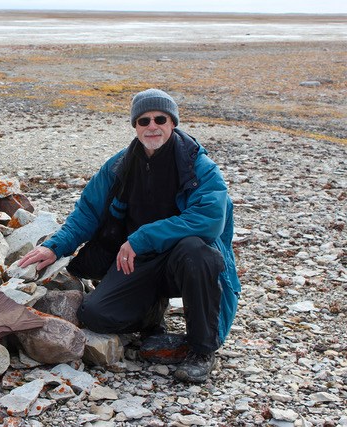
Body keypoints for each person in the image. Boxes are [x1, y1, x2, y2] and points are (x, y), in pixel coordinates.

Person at [18, 88, 240, 383]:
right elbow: (87, 213)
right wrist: (55, 247)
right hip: (136, 262)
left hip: (182, 261)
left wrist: (142, 237)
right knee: (97, 315)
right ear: (135, 126)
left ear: (172, 123)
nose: (152, 126)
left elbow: (209, 220)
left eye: (160, 119)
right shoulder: (118, 166)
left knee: (197, 252)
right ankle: (151, 314)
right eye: (143, 120)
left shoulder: (199, 166)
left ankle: (201, 349)